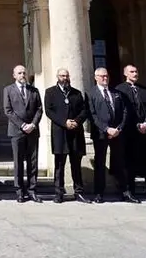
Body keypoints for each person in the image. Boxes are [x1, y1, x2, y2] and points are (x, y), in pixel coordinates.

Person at [45, 68, 91, 203]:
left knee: (76, 163)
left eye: (66, 76)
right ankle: (58, 192)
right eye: (62, 76)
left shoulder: (76, 93)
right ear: (57, 77)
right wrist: (64, 122)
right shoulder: (50, 92)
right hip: (60, 133)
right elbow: (49, 111)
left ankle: (79, 192)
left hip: (75, 133)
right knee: (59, 164)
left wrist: (76, 121)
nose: (64, 78)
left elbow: (84, 110)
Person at [116, 64, 146, 200]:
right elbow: (120, 111)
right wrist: (134, 124)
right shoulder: (119, 90)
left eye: (136, 71)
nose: (135, 74)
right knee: (130, 162)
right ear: (125, 74)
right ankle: (130, 190)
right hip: (129, 132)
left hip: (145, 131)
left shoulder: (144, 90)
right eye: (132, 72)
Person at [89, 67, 132, 203]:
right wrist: (106, 129)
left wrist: (118, 128)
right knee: (100, 163)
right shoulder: (91, 94)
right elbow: (92, 115)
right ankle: (99, 193)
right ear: (96, 77)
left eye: (106, 76)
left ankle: (125, 192)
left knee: (120, 163)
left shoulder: (117, 93)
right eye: (102, 76)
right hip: (101, 134)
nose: (105, 78)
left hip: (117, 134)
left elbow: (125, 111)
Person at [3, 64, 42, 202]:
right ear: (14, 75)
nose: (22, 75)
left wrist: (33, 124)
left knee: (33, 161)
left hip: (32, 131)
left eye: (24, 73)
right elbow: (8, 110)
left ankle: (32, 189)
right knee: (18, 161)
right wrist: (22, 125)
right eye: (19, 73)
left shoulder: (34, 90)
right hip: (16, 131)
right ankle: (19, 190)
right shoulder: (8, 90)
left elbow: (39, 109)